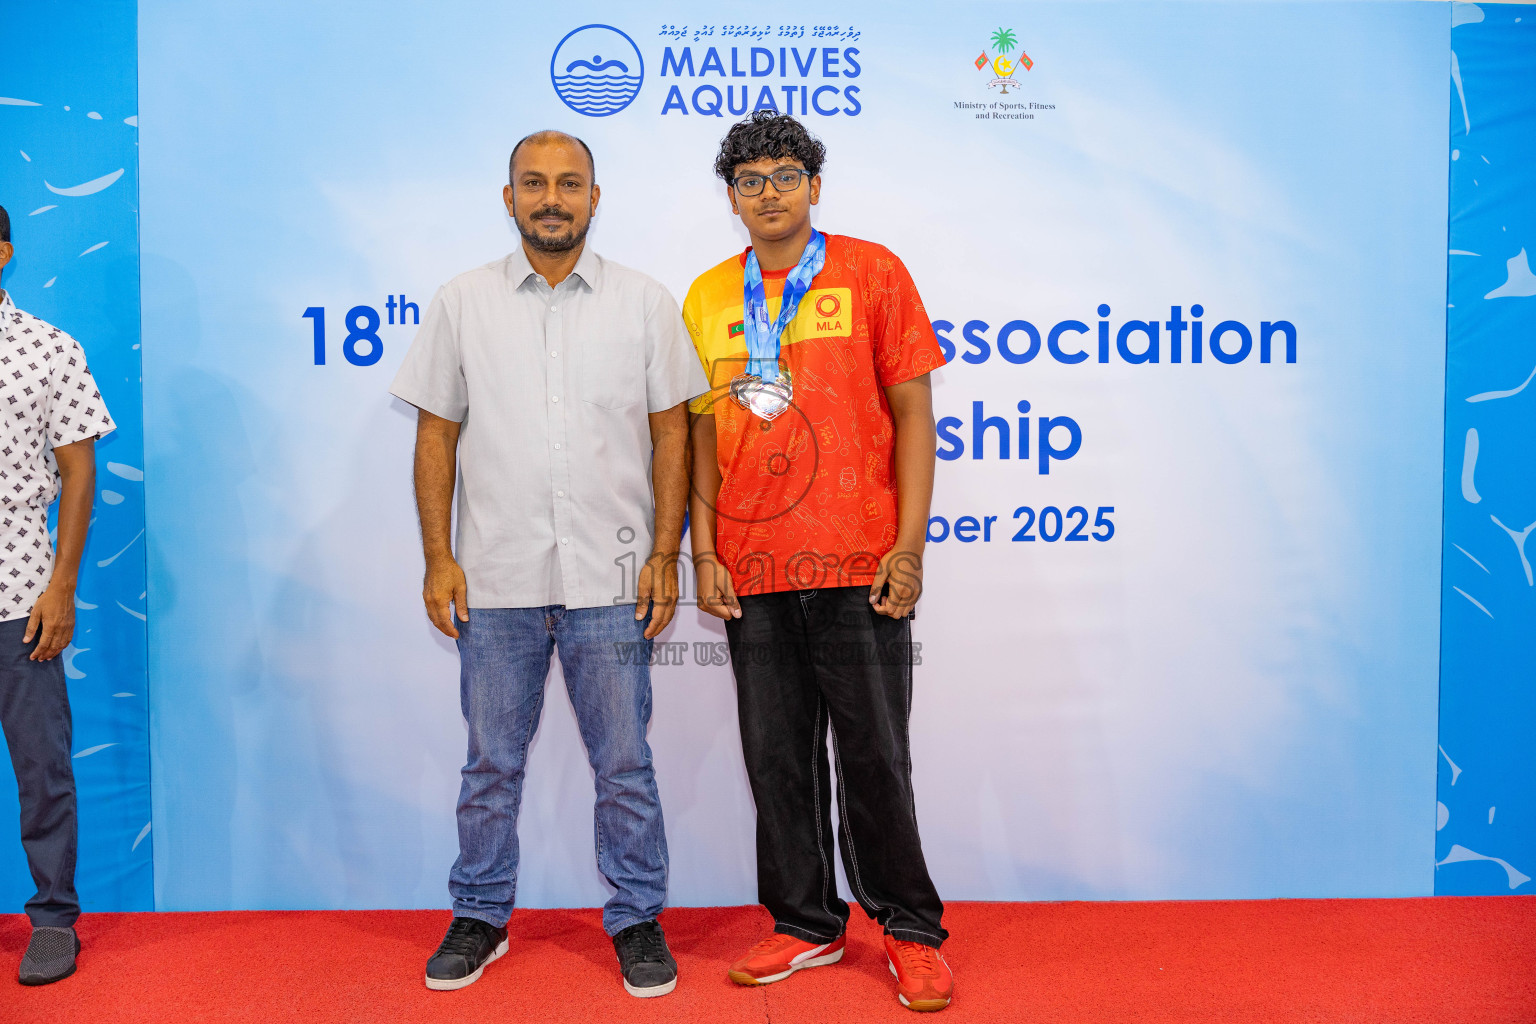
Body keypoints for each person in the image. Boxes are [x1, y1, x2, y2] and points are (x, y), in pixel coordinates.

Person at [389, 133, 708, 996]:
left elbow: (671, 434)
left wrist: (665, 554)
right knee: (490, 765)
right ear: (509, 198)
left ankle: (637, 918)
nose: (552, 198)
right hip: (495, 580)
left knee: (625, 764)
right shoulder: (462, 302)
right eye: (534, 183)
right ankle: (480, 915)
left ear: (595, 198)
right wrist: (438, 558)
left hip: (613, 579)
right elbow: (436, 436)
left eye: (570, 183)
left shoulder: (644, 302)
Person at [684, 113, 954, 1012]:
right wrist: (705, 550)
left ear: (815, 185)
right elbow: (700, 437)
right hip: (754, 564)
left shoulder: (873, 272)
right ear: (731, 197)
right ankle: (805, 923)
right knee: (775, 759)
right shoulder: (707, 296)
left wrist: (908, 547)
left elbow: (913, 414)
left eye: (786, 175)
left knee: (875, 757)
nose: (769, 192)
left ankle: (910, 929)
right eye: (750, 179)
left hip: (859, 557)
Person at [0, 203, 117, 986]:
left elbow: (78, 471)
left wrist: (61, 587)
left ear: (3, 251)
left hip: (19, 597)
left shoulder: (48, 347)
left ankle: (52, 921)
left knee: (42, 770)